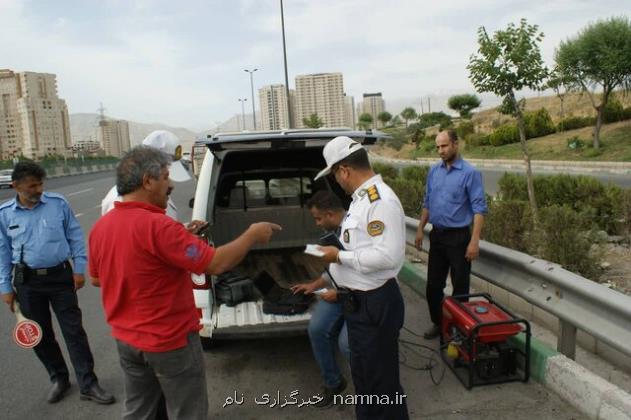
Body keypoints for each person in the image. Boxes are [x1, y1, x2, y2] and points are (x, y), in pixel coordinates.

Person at [89, 146, 280, 419]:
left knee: (138, 411)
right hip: (169, 343)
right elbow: (216, 264)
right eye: (166, 177)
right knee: (187, 411)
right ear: (147, 181)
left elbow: (97, 278)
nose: (170, 184)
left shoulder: (102, 227)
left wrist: (178, 241)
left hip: (127, 342)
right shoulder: (159, 226)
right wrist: (251, 235)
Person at [0, 162, 114, 405]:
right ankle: (59, 378)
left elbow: (75, 236)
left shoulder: (58, 204)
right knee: (41, 336)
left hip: (61, 277)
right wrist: (5, 287)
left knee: (74, 332)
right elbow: (3, 253)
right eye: (32, 185)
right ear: (16, 186)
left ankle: (88, 383)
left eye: (41, 183)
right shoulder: (5, 214)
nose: (39, 188)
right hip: (28, 283)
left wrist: (80, 269)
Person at [315, 136, 409, 420]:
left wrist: (339, 257)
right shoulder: (360, 201)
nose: (336, 181)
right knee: (367, 381)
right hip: (358, 305)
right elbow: (360, 247)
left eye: (334, 174)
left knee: (382, 387)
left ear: (344, 170)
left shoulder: (380, 201)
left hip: (375, 304)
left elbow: (387, 257)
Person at [415, 129, 488, 340]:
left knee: (460, 289)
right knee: (433, 287)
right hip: (437, 236)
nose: (440, 150)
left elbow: (479, 209)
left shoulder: (470, 173)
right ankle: (439, 323)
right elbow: (427, 202)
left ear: (456, 144)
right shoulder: (434, 171)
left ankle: (458, 330)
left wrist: (474, 242)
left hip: (459, 239)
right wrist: (420, 228)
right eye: (438, 147)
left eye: (444, 146)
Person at [291, 190, 350, 408]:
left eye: (318, 218)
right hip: (338, 293)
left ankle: (372, 392)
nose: (316, 224)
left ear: (330, 214)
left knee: (347, 345)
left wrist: (340, 294)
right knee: (316, 328)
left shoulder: (355, 229)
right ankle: (334, 382)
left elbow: (367, 271)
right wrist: (313, 285)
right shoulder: (334, 233)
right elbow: (333, 269)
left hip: (359, 297)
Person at [101, 130, 191, 222]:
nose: (171, 185)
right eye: (165, 177)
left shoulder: (154, 193)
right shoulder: (121, 202)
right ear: (148, 179)